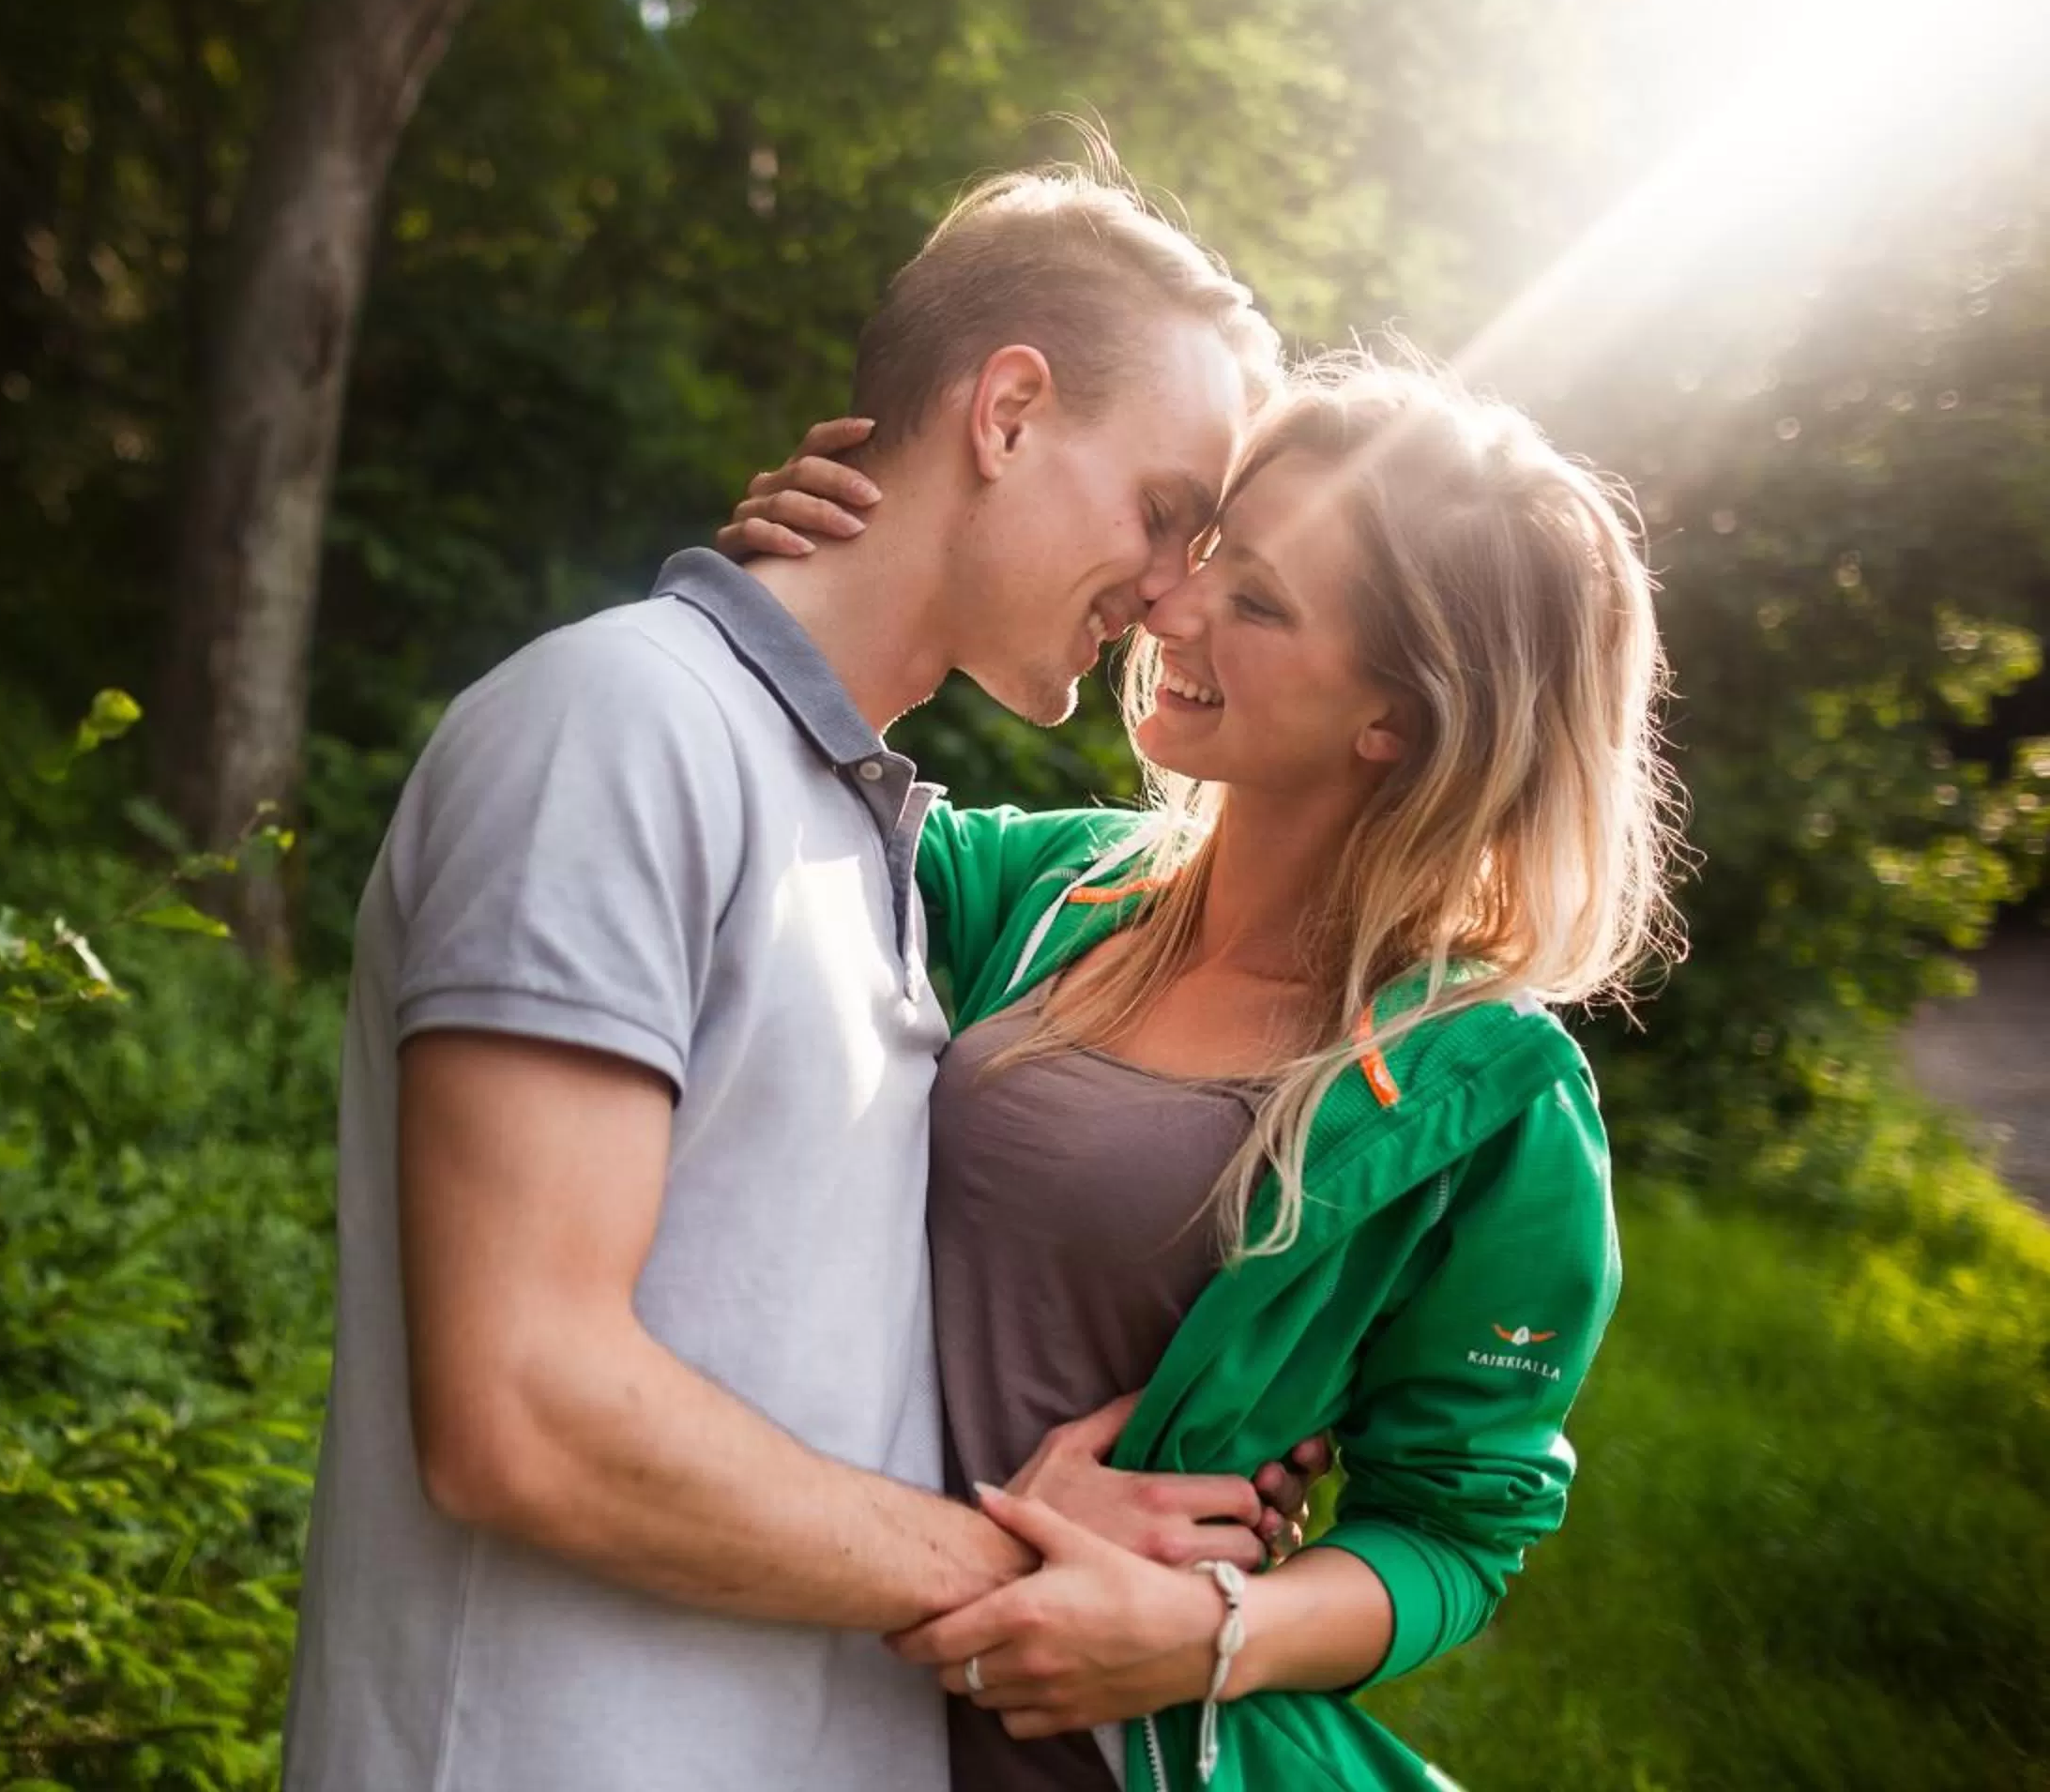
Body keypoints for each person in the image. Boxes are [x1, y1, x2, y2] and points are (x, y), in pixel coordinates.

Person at [280, 165, 1339, 1792]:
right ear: (1007, 411)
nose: (1170, 593)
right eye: (1160, 511)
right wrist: (1021, 1580)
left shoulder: (870, 849)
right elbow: (523, 1405)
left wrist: (1048, 1512)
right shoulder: (620, 731)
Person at [724, 351, 1680, 1789]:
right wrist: (796, 590)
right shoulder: (1034, 893)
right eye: (1211, 556)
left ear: (1397, 721)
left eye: (1260, 600)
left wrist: (1212, 1627)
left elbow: (1455, 1536)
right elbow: (766, 820)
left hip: (1112, 1753)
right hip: (807, 1686)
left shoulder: (1487, 1092)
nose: (1169, 602)